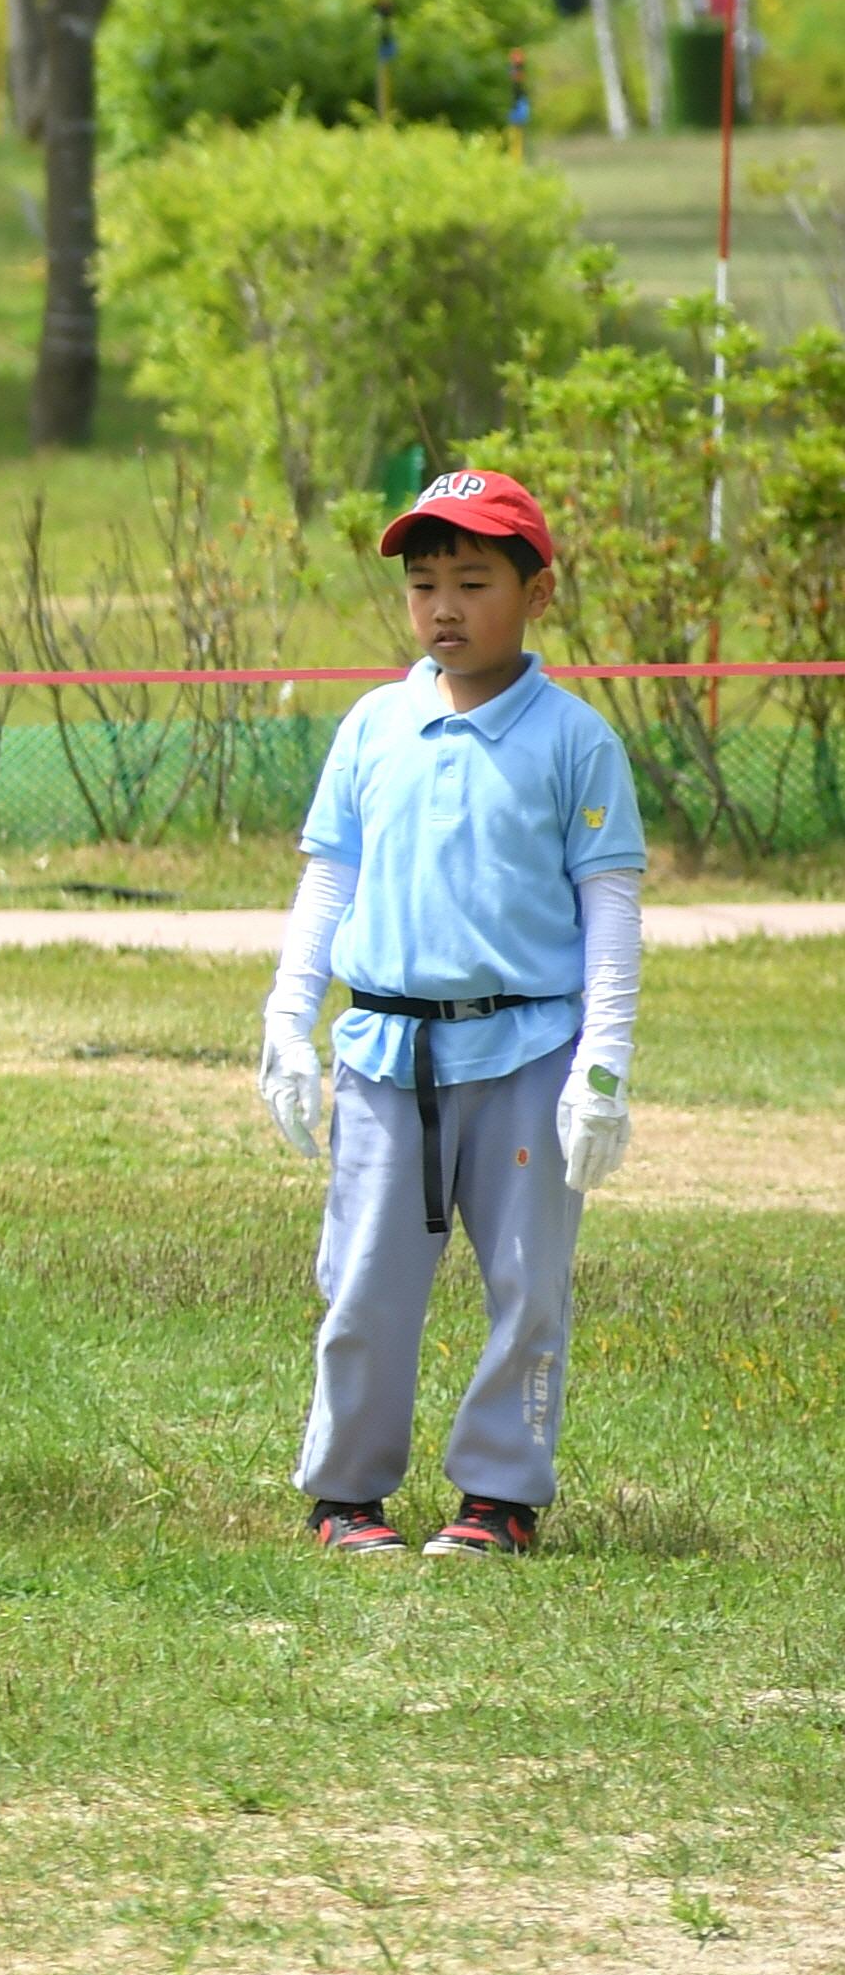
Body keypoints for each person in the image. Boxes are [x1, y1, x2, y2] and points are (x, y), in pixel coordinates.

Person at [259, 471, 644, 1560]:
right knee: (365, 1285)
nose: (443, 606)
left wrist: (600, 1065)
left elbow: (609, 906)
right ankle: (346, 1493)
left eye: (474, 580)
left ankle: (499, 1496)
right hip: (387, 1054)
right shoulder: (376, 726)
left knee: (527, 1285)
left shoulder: (576, 742)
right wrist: (289, 1018)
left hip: (526, 1050)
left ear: (539, 592)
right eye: (425, 582)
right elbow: (329, 879)